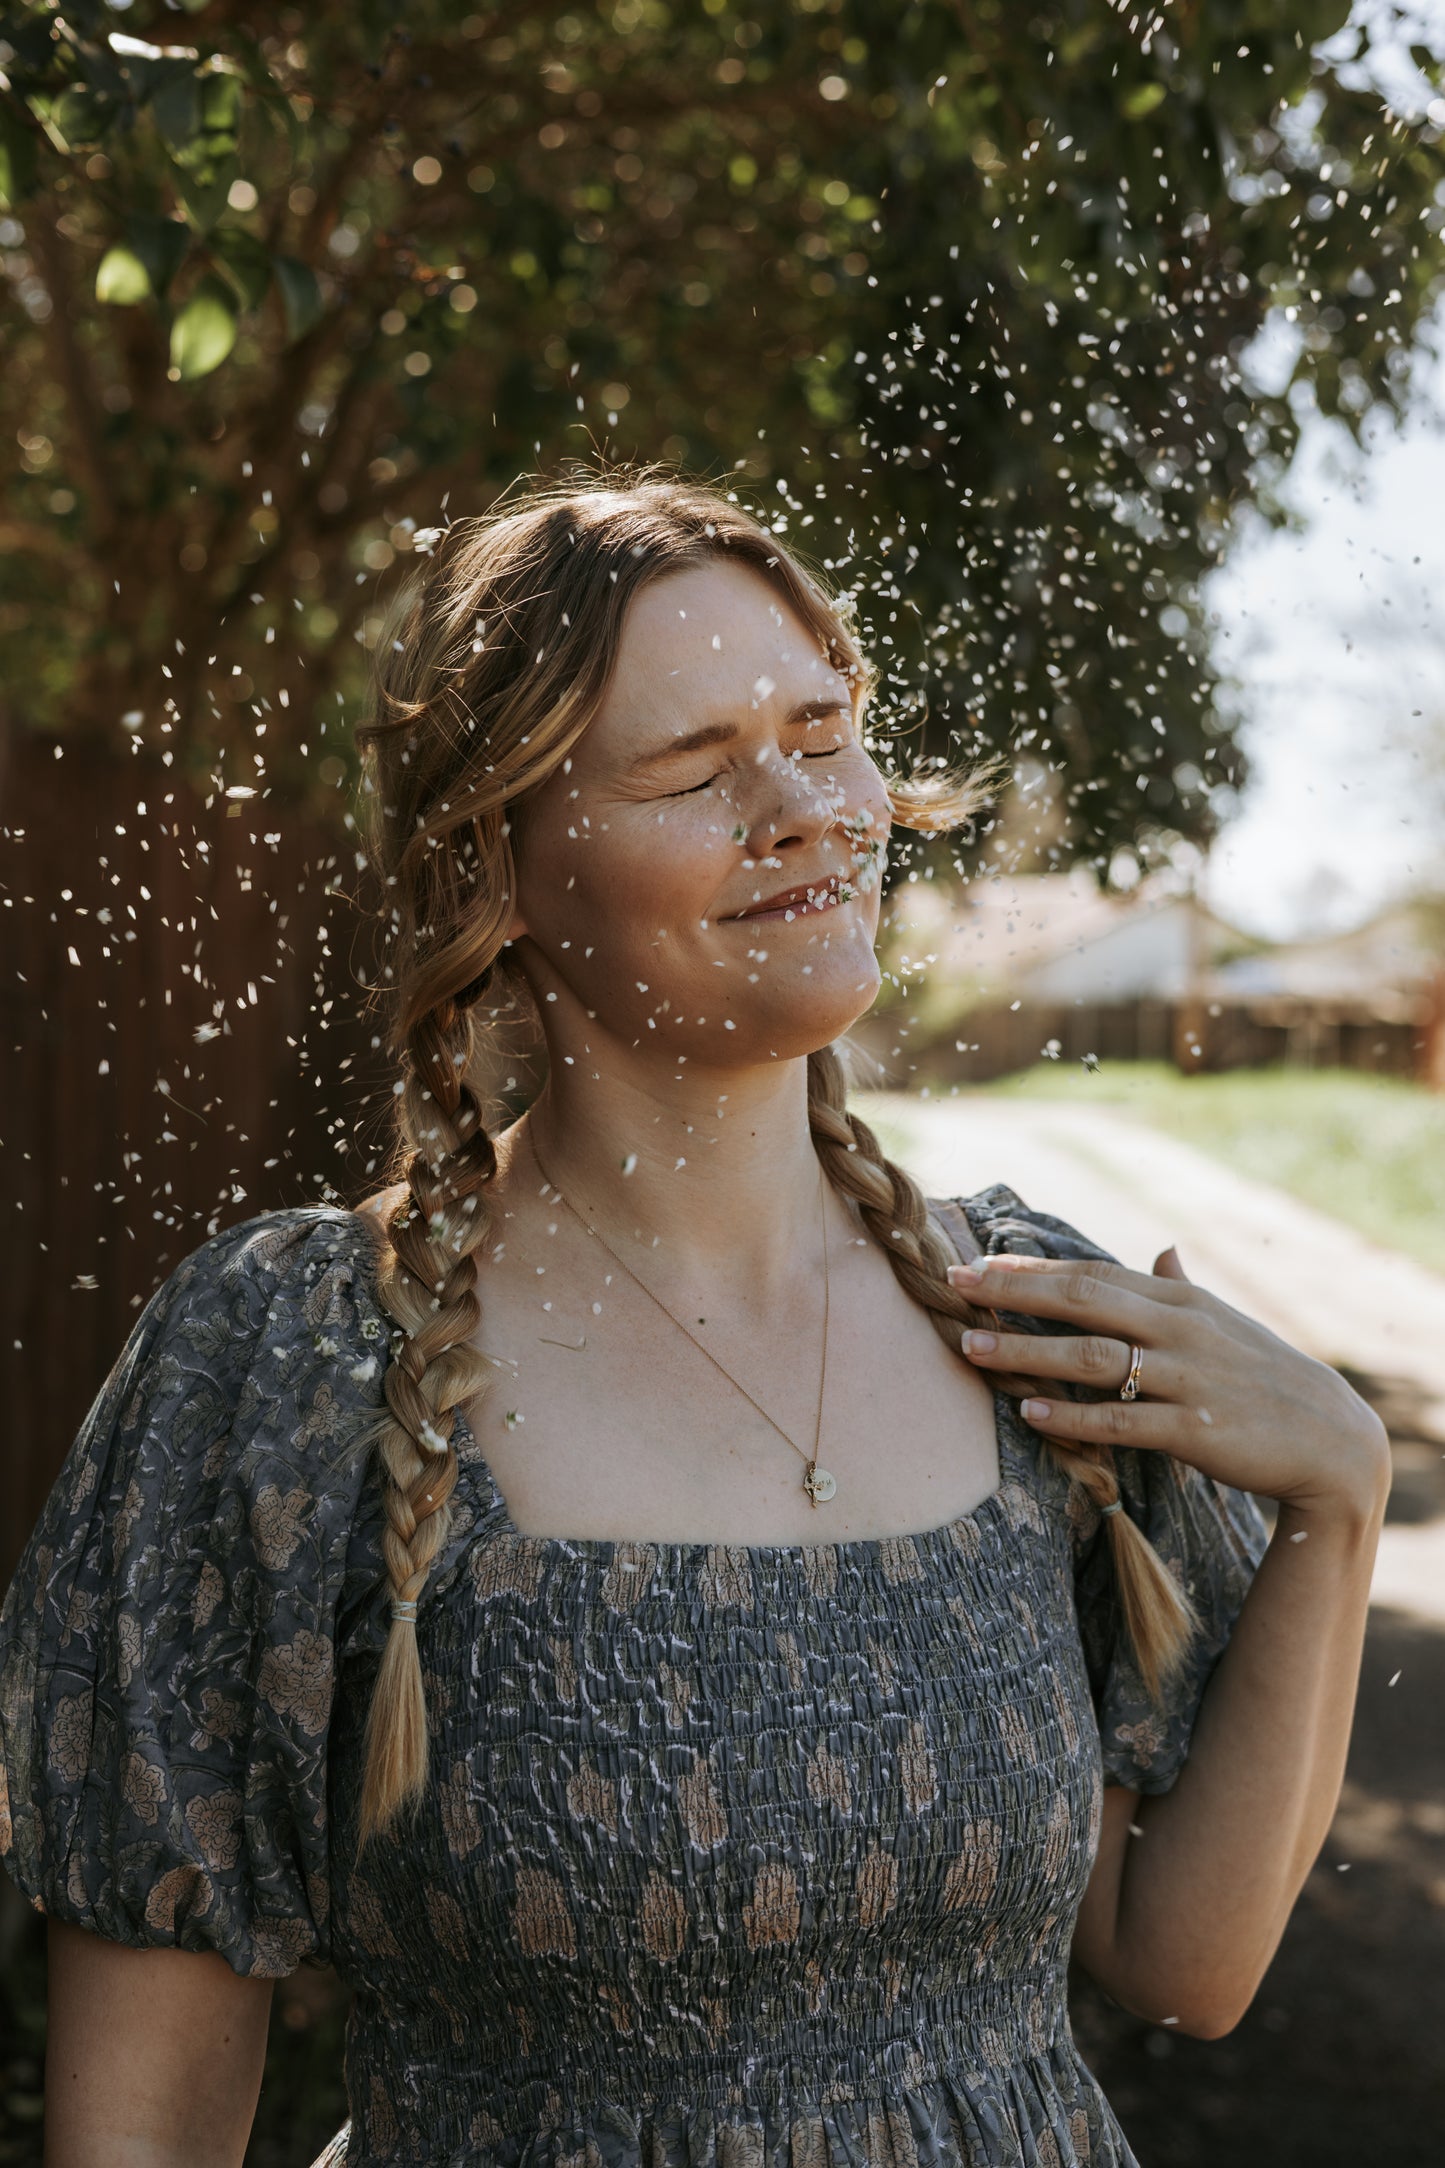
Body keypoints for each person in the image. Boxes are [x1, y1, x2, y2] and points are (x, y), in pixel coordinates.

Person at [0, 469, 1390, 2168]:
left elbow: (1183, 1958)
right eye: (691, 769)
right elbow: (137, 2132)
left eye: (821, 730)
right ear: (500, 868)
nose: (802, 806)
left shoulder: (1023, 1323)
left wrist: (1335, 1498)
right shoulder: (291, 1364)